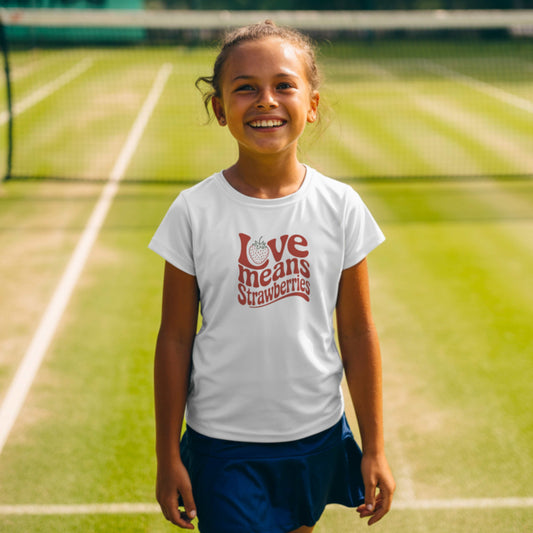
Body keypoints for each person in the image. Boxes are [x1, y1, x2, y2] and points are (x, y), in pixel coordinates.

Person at [149, 20, 395, 533]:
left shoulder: (341, 206)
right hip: (224, 445)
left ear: (312, 104)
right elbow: (174, 338)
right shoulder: (193, 211)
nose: (266, 101)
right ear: (219, 108)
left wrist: (374, 447)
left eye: (284, 85)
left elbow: (357, 332)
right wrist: (167, 455)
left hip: (316, 437)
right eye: (245, 89)